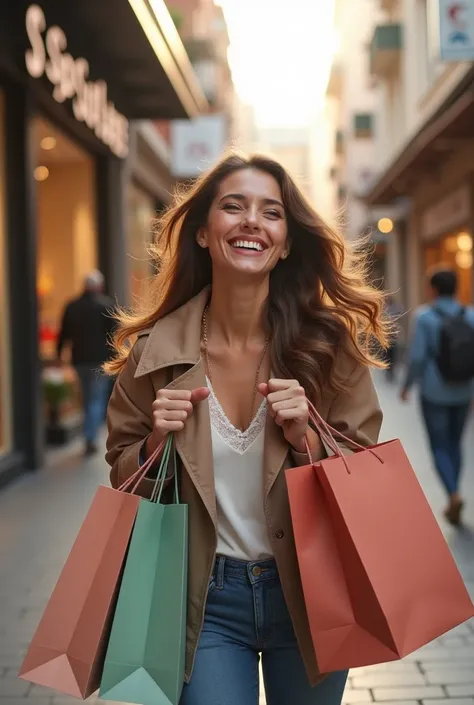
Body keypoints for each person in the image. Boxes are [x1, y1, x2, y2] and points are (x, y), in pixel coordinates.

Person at [105, 153, 387, 705]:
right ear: (206, 233)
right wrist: (154, 444)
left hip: (312, 591)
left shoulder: (328, 351)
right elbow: (120, 479)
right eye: (232, 207)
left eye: (271, 212)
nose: (251, 221)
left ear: (284, 242)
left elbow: (369, 476)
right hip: (200, 599)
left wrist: (308, 439)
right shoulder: (154, 355)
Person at [400, 267, 474, 526]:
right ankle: (455, 490)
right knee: (455, 443)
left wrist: (406, 386)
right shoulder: (471, 315)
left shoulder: (425, 316)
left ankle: (452, 493)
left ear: (433, 288)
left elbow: (418, 357)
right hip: (464, 390)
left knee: (439, 444)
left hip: (434, 391)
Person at [57, 270, 115, 455]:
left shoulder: (72, 306)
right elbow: (114, 335)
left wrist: (60, 354)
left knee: (87, 397)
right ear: (99, 286)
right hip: (100, 360)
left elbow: (63, 333)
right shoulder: (105, 305)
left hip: (79, 360)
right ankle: (90, 437)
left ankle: (89, 435)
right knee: (96, 398)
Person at [384, 295, 403, 382]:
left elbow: (400, 314)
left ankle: (391, 371)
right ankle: (389, 371)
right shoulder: (385, 309)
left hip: (393, 337)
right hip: (387, 338)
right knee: (388, 355)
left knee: (393, 355)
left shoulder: (394, 308)